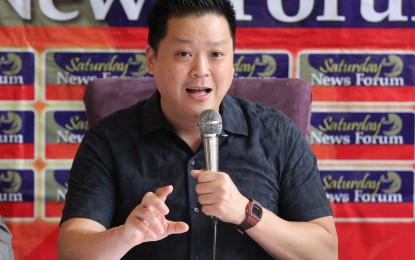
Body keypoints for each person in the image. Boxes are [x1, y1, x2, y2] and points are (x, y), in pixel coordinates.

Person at [58, 0, 338, 259]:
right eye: (184, 53)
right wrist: (125, 236)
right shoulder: (109, 139)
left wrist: (246, 213)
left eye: (216, 54)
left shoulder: (276, 134)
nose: (201, 69)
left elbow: (325, 253)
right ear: (152, 60)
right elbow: (71, 251)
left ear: (232, 61)